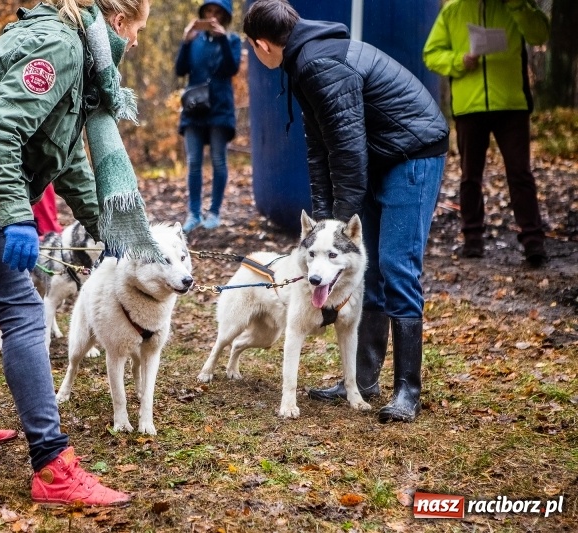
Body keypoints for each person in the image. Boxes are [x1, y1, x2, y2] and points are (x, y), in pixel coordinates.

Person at [0, 0, 161, 507]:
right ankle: (52, 464)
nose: (133, 43)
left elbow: (62, 160)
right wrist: (17, 216)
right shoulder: (60, 46)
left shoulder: (73, 50)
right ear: (117, 20)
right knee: (21, 310)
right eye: (135, 31)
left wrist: (106, 226)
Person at [243, 0, 449, 423]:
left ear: (262, 45)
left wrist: (339, 226)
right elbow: (320, 150)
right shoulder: (303, 63)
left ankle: (407, 390)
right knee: (365, 270)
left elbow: (349, 151)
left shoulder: (320, 64)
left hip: (412, 153)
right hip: (380, 155)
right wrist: (322, 227)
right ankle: (364, 380)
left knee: (395, 265)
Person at [423, 0, 549, 266]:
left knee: (520, 173)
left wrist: (518, 6)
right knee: (470, 176)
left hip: (512, 104)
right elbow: (431, 53)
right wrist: (459, 60)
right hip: (470, 107)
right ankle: (472, 241)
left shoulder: (515, 7)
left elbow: (540, 35)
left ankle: (533, 241)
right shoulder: (453, 10)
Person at [175, 0, 240, 233]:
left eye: (218, 12)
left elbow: (231, 68)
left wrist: (222, 38)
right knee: (193, 162)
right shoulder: (194, 41)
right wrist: (185, 41)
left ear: (225, 16)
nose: (213, 16)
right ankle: (193, 213)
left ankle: (214, 212)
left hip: (220, 108)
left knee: (218, 161)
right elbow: (180, 70)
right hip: (194, 108)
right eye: (208, 12)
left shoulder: (231, 40)